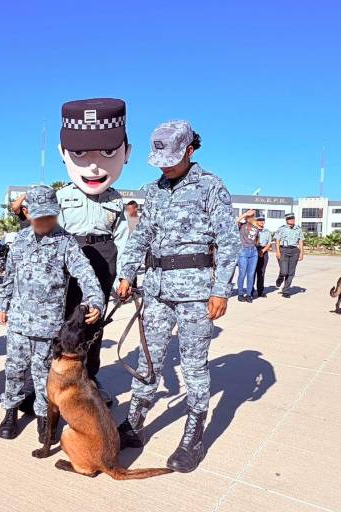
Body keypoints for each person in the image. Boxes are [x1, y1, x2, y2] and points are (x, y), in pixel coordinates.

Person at [116, 121, 240, 473]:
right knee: (148, 360)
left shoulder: (210, 187)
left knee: (193, 366)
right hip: (156, 291)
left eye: (171, 159)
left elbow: (228, 240)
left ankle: (193, 436)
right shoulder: (153, 190)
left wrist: (221, 290)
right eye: (160, 161)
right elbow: (141, 236)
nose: (165, 167)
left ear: (190, 150)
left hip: (195, 294)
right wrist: (127, 273)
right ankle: (135, 423)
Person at [0, 185, 103, 441]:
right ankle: (10, 411)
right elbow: (10, 275)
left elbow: (85, 272)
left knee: (43, 373)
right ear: (29, 213)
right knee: (14, 369)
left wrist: (95, 300)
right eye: (39, 216)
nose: (45, 221)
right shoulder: (20, 240)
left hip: (48, 325)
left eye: (50, 216)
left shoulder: (65, 242)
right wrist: (3, 304)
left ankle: (44, 417)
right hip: (19, 321)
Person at [56, 98, 131, 406]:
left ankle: (89, 380)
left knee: (94, 322)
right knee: (62, 318)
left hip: (104, 255)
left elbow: (124, 239)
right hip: (70, 256)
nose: (94, 165)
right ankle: (53, 380)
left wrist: (125, 276)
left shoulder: (116, 199)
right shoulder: (61, 196)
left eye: (107, 153)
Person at [274, 212, 304, 298]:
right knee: (284, 271)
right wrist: (278, 251)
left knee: (291, 273)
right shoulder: (282, 229)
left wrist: (301, 253)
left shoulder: (298, 229)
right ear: (286, 220)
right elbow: (277, 240)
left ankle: (286, 291)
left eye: (293, 219)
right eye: (290, 219)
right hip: (283, 250)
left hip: (294, 251)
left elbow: (301, 241)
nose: (292, 220)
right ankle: (280, 277)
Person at [235, 209, 260, 302]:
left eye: (253, 215)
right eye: (250, 215)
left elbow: (257, 239)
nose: (251, 217)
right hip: (243, 251)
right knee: (242, 274)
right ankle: (240, 294)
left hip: (253, 252)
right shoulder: (241, 225)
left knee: (251, 274)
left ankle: (249, 294)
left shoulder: (256, 227)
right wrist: (245, 214)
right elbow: (235, 222)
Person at [254, 214, 273, 298]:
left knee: (261, 272)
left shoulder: (267, 231)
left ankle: (260, 291)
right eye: (260, 220)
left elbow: (269, 243)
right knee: (252, 272)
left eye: (263, 220)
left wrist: (263, 251)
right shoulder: (253, 230)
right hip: (254, 250)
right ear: (256, 221)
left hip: (264, 251)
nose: (262, 222)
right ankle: (250, 290)